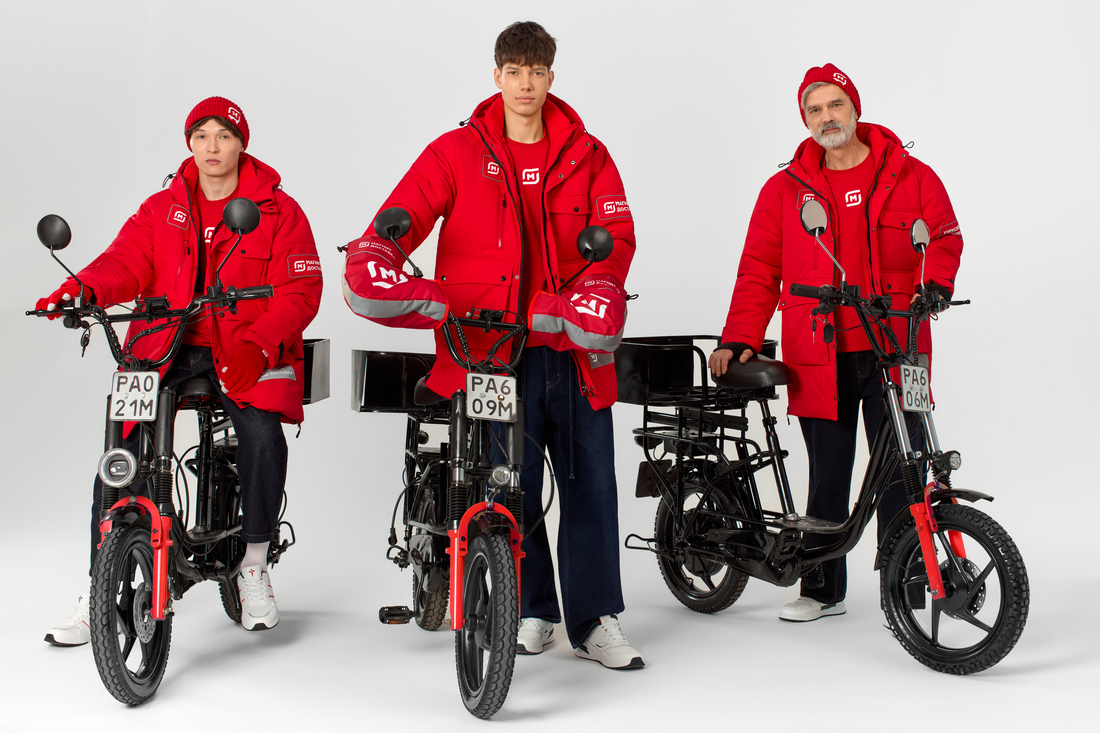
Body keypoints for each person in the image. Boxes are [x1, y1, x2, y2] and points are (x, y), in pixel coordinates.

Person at [343, 21, 643, 669]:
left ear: (551, 77)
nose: (525, 83)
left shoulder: (589, 154)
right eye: (513, 70)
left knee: (591, 482)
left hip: (573, 351)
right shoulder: (456, 151)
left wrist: (597, 292)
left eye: (536, 71)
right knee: (510, 485)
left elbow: (615, 239)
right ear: (497, 76)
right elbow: (402, 215)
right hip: (490, 352)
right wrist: (379, 251)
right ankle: (533, 610)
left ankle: (595, 620)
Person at [40, 96, 322, 641]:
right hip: (163, 344)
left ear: (242, 144)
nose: (212, 147)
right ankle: (102, 584)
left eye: (224, 135)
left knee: (261, 435)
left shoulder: (278, 211)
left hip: (244, 347)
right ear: (189, 143)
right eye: (201, 136)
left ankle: (254, 563)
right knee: (122, 446)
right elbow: (125, 261)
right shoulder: (161, 208)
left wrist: (261, 344)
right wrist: (82, 289)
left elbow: (301, 289)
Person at [708, 64, 963, 622]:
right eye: (815, 109)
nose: (827, 117)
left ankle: (906, 591)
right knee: (829, 472)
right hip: (819, 351)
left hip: (899, 346)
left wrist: (936, 285)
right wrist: (741, 337)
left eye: (835, 105)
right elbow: (759, 270)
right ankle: (822, 589)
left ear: (855, 108)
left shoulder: (912, 175)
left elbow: (945, 237)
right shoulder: (783, 190)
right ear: (805, 120)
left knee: (903, 468)